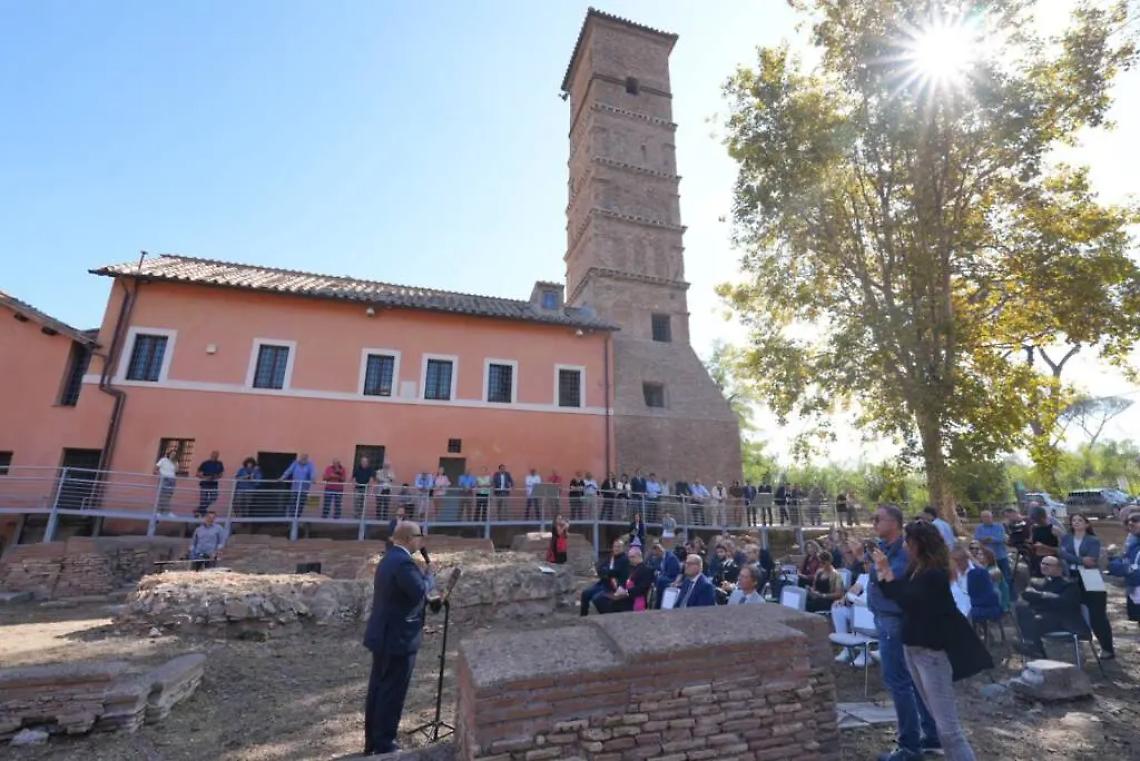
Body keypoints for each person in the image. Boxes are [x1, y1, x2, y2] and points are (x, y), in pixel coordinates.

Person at [874, 521, 990, 761]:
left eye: (907, 541)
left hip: (932, 654)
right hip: (913, 647)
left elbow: (908, 600)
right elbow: (895, 593)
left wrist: (887, 571)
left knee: (948, 728)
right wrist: (883, 570)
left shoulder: (934, 574)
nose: (904, 545)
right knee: (937, 719)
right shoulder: (916, 569)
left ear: (918, 544)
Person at [867, 504, 942, 761]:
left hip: (895, 622)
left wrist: (880, 568)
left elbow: (892, 582)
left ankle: (909, 747)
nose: (873, 522)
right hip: (887, 619)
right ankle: (931, 735)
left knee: (899, 682)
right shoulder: (885, 549)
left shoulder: (904, 551)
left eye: (878, 518)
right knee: (912, 681)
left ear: (895, 523)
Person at [362, 521, 433, 756]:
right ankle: (385, 743)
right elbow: (419, 591)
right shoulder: (403, 563)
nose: (421, 541)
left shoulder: (389, 558)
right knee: (392, 691)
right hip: (397, 638)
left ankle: (372, 741)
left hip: (384, 635)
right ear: (410, 538)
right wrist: (429, 577)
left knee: (378, 688)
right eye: (420, 536)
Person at [1059, 514, 1114, 658]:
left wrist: (1069, 557)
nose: (1076, 523)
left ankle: (1107, 648)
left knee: (1097, 614)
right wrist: (1080, 559)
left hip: (1091, 577)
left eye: (1080, 520)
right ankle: (1077, 643)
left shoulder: (1093, 540)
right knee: (1073, 610)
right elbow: (1061, 554)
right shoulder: (1066, 538)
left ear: (1087, 524)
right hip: (1072, 576)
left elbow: (1091, 561)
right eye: (1073, 520)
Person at [1014, 555, 1086, 659]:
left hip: (1064, 620)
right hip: (1043, 616)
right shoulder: (1037, 582)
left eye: (1048, 565)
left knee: (1035, 620)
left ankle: (1035, 649)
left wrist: (1041, 596)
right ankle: (1034, 647)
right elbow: (1027, 595)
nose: (1044, 566)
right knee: (1022, 609)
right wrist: (1045, 596)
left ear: (1059, 568)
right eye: (1042, 563)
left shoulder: (1069, 584)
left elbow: (1065, 603)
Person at [594, 546, 654, 614]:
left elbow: (641, 588)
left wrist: (625, 592)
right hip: (624, 595)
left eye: (632, 557)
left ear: (639, 556)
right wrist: (619, 588)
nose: (630, 559)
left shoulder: (647, 570)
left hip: (633, 599)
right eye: (629, 557)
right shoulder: (631, 568)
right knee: (599, 598)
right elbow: (625, 581)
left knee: (602, 601)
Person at [950, 544, 1001, 624]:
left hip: (976, 606)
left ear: (966, 559)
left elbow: (989, 596)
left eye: (959, 560)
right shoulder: (952, 573)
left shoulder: (980, 572)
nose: (957, 563)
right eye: (954, 561)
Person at [580, 539, 629, 616]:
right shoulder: (611, 557)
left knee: (597, 598)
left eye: (618, 547)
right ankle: (583, 616)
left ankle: (607, 617)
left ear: (623, 548)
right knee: (585, 593)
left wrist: (606, 571)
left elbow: (615, 572)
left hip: (613, 587)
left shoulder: (625, 560)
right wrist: (607, 572)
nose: (616, 549)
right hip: (603, 583)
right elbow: (599, 568)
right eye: (615, 546)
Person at [1107, 511, 1140, 625]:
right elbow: (1115, 567)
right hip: (1133, 592)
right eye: (1128, 522)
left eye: (1135, 520)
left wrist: (1127, 569)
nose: (1130, 523)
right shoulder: (1133, 545)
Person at [973, 510, 1012, 601]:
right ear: (981, 518)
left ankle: (1009, 598)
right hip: (987, 559)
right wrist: (987, 540)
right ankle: (994, 598)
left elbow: (1002, 539)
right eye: (984, 517)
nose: (987, 519)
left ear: (992, 517)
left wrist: (990, 539)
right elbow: (976, 540)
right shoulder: (979, 528)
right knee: (990, 579)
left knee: (1005, 578)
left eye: (988, 516)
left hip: (1000, 556)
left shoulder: (999, 526)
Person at [1027, 505, 1059, 578]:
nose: (1036, 522)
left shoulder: (1054, 530)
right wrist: (1029, 543)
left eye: (1037, 520)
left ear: (1043, 517)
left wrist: (1044, 546)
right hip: (1037, 559)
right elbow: (1031, 540)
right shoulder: (1033, 528)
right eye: (1034, 520)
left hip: (1051, 560)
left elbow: (1060, 550)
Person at [280, 453, 316, 517]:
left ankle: (297, 517)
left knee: (300, 504)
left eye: (305, 458)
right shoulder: (295, 463)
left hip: (304, 489)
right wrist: (282, 478)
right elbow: (289, 471)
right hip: (295, 488)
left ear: (307, 459)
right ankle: (291, 518)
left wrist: (313, 479)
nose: (303, 459)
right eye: (302, 458)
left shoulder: (310, 464)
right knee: (293, 503)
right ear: (300, 458)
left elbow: (312, 472)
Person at [651, 541, 682, 608]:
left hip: (673, 579)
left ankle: (658, 604)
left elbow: (672, 573)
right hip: (666, 578)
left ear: (659, 550)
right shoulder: (662, 558)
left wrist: (660, 574)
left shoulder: (671, 558)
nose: (655, 556)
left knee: (660, 580)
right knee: (657, 578)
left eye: (656, 554)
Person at [195, 451, 224, 516]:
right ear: (211, 455)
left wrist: (216, 476)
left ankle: (199, 510)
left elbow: (221, 474)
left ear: (218, 456)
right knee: (203, 499)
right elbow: (197, 474)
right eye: (214, 455)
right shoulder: (205, 463)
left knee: (214, 498)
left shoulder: (219, 463)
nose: (215, 456)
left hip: (214, 484)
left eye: (216, 455)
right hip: (205, 484)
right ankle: (201, 515)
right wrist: (205, 477)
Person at [154, 446, 179, 514]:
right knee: (162, 495)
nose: (173, 455)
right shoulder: (163, 460)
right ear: (169, 454)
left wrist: (175, 463)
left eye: (174, 455)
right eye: (172, 454)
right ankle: (162, 512)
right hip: (164, 479)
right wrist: (160, 475)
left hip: (172, 480)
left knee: (168, 496)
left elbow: (176, 471)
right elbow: (156, 469)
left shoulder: (175, 462)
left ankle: (163, 511)